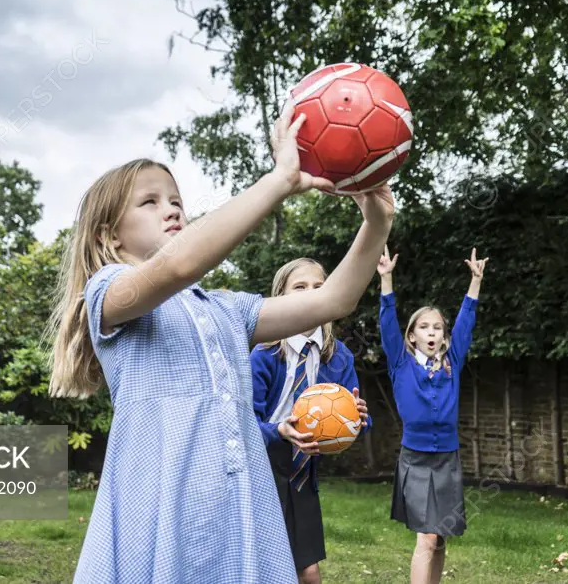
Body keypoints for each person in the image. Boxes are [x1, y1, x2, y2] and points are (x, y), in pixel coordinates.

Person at [46, 99, 395, 584]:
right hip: (161, 507)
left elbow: (333, 300)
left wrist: (376, 222)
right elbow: (177, 266)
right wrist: (280, 181)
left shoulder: (226, 310)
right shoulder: (107, 292)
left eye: (175, 201)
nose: (170, 209)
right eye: (149, 202)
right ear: (110, 236)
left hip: (238, 504)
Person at [251, 257, 372, 583]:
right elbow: (245, 421)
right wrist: (279, 430)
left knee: (308, 570)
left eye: (319, 287)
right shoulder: (264, 353)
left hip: (303, 472)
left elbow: (351, 416)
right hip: (263, 468)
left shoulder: (340, 356)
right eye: (299, 287)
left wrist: (359, 417)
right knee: (268, 566)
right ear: (280, 297)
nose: (310, 293)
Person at [377, 245, 487, 584]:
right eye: (424, 327)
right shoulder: (400, 363)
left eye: (437, 328)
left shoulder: (452, 362)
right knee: (425, 537)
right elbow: (387, 324)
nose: (431, 332)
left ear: (443, 337)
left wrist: (475, 282)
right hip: (416, 459)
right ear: (412, 336)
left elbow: (466, 323)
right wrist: (386, 279)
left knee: (439, 539)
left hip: (447, 459)